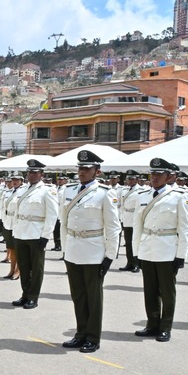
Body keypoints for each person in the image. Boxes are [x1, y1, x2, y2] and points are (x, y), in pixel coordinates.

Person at [58, 150, 121, 353]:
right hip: (74, 249)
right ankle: (80, 333)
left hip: (94, 250)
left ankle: (93, 338)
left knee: (93, 299)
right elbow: (64, 223)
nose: (82, 172)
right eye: (80, 168)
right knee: (78, 296)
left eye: (87, 168)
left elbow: (112, 227)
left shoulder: (104, 193)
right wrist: (65, 249)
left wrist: (110, 255)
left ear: (97, 171)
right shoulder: (68, 190)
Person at [132, 158, 188, 342]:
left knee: (167, 291)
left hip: (167, 250)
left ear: (168, 176)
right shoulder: (142, 195)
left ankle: (165, 327)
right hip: (147, 248)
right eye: (153, 174)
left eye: (159, 174)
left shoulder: (179, 196)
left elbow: (185, 229)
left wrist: (181, 255)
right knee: (149, 290)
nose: (155, 177)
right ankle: (152, 324)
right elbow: (137, 226)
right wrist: (136, 252)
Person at [11, 159, 59, 309]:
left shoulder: (47, 190)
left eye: (34, 172)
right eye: (29, 172)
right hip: (21, 233)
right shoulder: (23, 189)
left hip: (36, 234)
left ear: (41, 174)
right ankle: (25, 294)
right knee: (24, 267)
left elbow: (52, 215)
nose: (31, 175)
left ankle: (33, 297)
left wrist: (46, 236)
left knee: (36, 268)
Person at [118, 170, 147, 273]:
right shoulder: (124, 190)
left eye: (132, 179)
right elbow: (121, 204)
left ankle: (137, 264)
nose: (129, 181)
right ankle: (129, 262)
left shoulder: (142, 190)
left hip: (136, 219)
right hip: (127, 219)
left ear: (137, 179)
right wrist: (121, 216)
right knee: (128, 242)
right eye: (128, 179)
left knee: (136, 242)